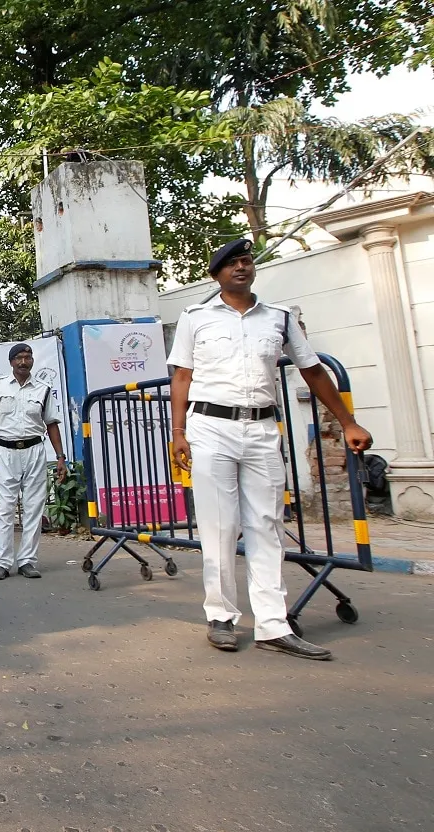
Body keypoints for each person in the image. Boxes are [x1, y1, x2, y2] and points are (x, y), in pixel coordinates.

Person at [169, 238, 372, 660]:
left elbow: (313, 372)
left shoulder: (278, 318)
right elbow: (182, 377)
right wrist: (178, 431)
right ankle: (221, 617)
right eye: (232, 263)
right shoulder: (195, 318)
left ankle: (272, 625)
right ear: (217, 274)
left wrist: (348, 421)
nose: (241, 268)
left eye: (246, 261)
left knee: (267, 526)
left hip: (261, 429)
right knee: (220, 526)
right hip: (211, 428)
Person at [0, 343, 67, 580]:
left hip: (35, 450)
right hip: (6, 452)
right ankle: (2, 563)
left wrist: (60, 457)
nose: (24, 362)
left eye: (28, 357)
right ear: (11, 362)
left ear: (32, 361)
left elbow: (51, 424)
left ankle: (27, 560)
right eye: (19, 358)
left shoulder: (43, 389)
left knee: (34, 507)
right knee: (5, 508)